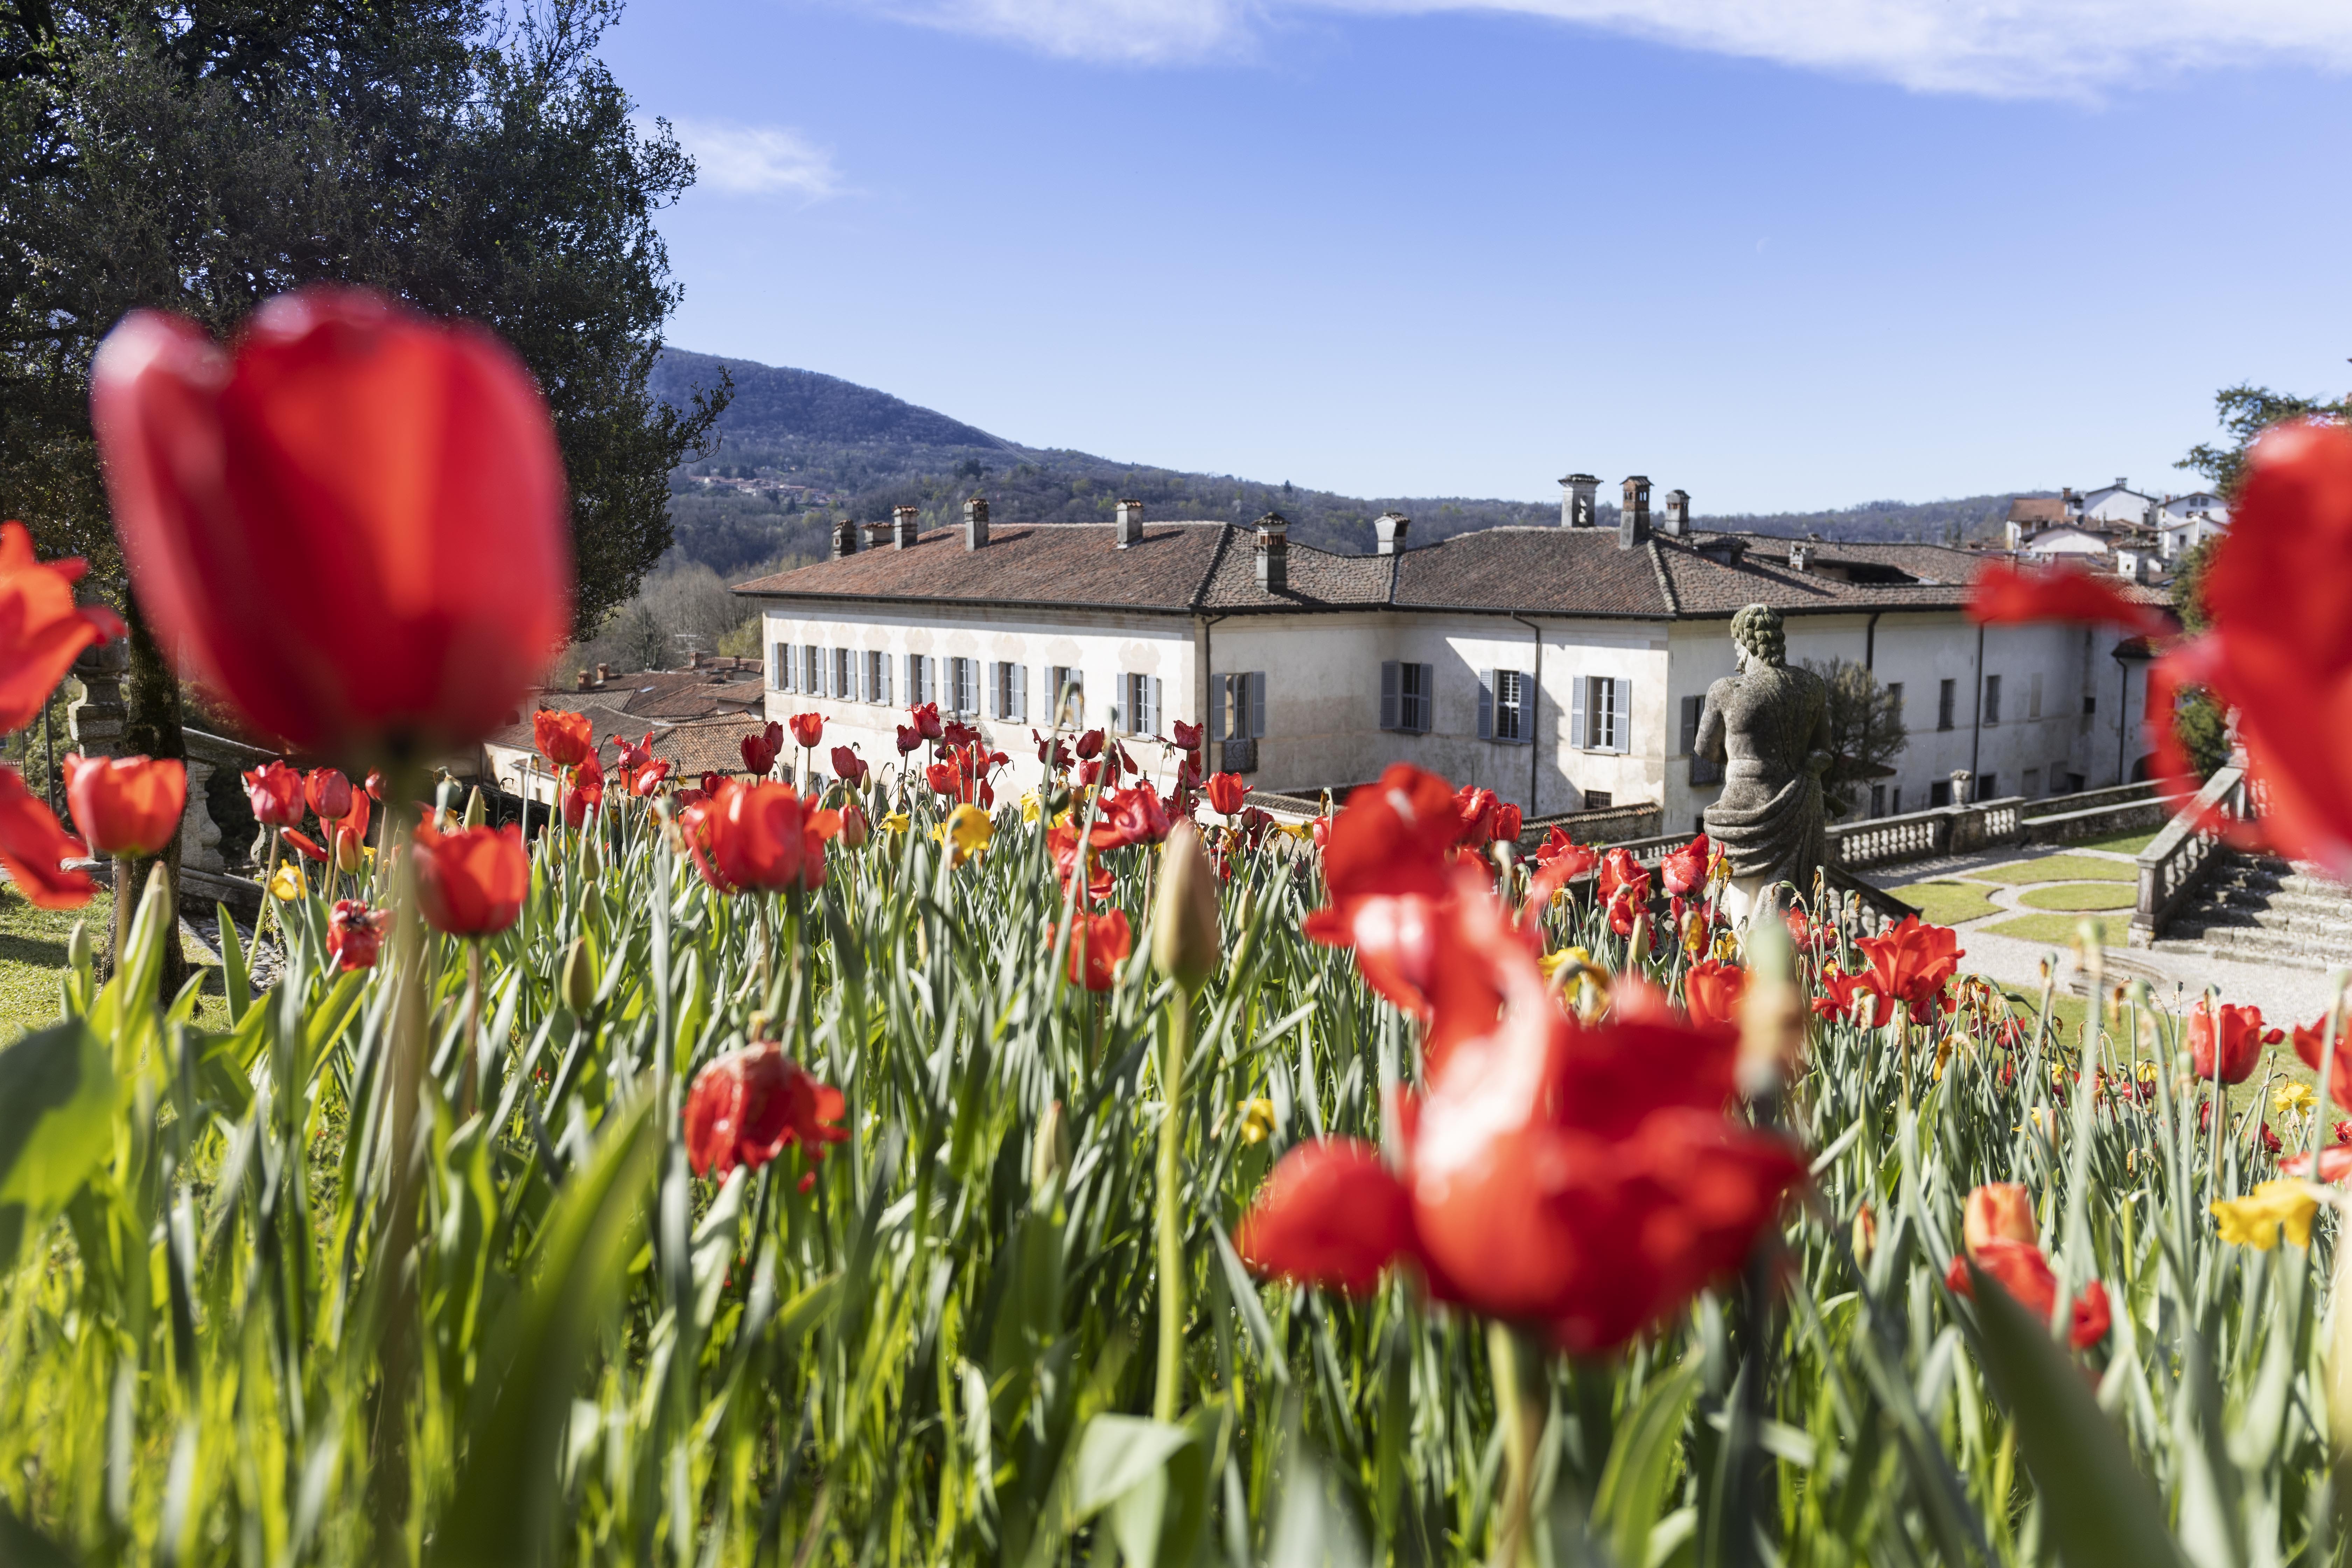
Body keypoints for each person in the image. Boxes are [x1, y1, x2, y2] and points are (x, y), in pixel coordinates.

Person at [1696, 603, 1832, 925]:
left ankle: (1737, 969)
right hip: (1799, 806)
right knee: (1790, 907)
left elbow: (1705, 749)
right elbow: (1824, 751)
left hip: (1740, 810)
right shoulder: (1812, 687)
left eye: (1736, 644)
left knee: (1737, 906)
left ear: (1746, 643)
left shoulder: (1726, 691)